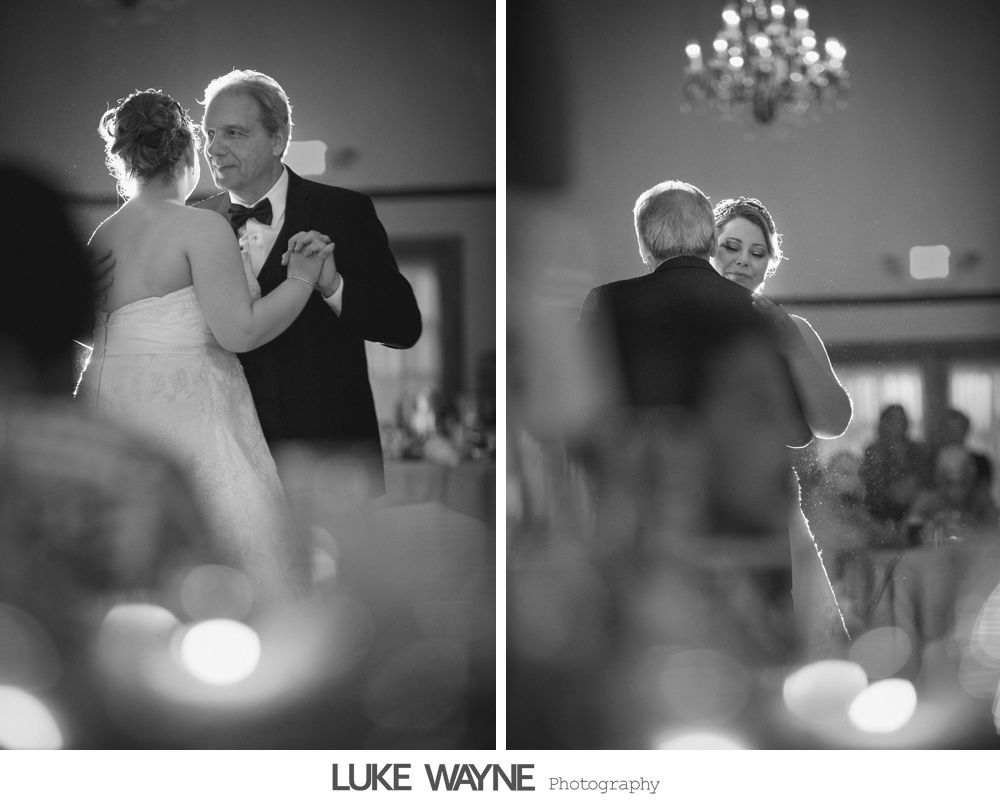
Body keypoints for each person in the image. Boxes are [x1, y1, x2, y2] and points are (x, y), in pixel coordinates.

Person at [76, 89, 333, 605]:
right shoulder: (200, 226)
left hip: (113, 413)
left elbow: (96, 332)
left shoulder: (103, 235)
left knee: (134, 562)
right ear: (187, 153)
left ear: (124, 160)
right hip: (192, 415)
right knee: (227, 555)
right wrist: (302, 279)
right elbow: (240, 332)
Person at [196, 69, 423, 497]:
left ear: (278, 139)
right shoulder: (195, 224)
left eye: (233, 133)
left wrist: (333, 285)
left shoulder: (344, 212)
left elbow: (404, 325)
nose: (214, 148)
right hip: (232, 459)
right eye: (209, 134)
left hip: (332, 459)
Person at [709, 195, 852, 654]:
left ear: (770, 264)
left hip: (773, 503)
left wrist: (789, 344)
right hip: (701, 506)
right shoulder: (681, 324)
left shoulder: (792, 328)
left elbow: (834, 422)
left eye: (757, 253)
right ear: (706, 250)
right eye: (731, 247)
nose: (742, 262)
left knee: (796, 649)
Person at [860, 403, 932, 528]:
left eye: (901, 419)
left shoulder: (917, 448)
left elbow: (926, 479)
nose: (898, 423)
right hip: (883, 507)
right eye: (892, 419)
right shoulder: (874, 451)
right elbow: (872, 484)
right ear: (883, 423)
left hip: (914, 505)